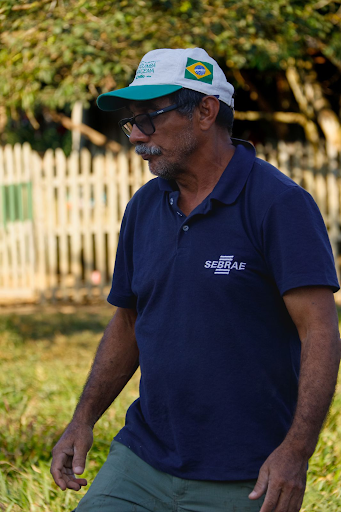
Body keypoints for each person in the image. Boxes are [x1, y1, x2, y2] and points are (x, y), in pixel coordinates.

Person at [50, 48, 341, 512]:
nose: (137, 136)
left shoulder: (278, 204)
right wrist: (82, 419)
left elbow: (320, 329)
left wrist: (296, 452)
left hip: (247, 472)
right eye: (132, 122)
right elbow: (128, 321)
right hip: (143, 458)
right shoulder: (144, 207)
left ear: (205, 111)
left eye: (150, 118)